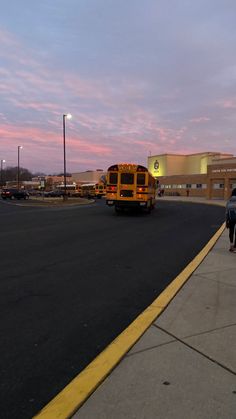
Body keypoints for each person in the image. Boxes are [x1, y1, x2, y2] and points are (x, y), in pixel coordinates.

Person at [225, 188, 236, 252]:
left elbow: (226, 212)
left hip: (231, 219)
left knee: (231, 232)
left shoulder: (229, 201)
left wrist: (226, 222)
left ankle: (231, 246)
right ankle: (235, 247)